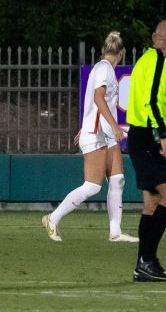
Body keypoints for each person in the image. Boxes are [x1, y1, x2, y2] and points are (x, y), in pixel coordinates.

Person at [42, 31, 138, 244]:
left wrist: (105, 126)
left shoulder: (104, 70)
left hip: (103, 133)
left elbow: (94, 104)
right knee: (93, 186)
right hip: (97, 134)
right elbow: (98, 97)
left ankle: (115, 232)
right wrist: (114, 126)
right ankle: (52, 218)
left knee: (117, 179)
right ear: (120, 53)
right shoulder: (104, 68)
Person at [125, 19, 166, 282]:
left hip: (140, 135)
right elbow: (151, 101)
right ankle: (147, 260)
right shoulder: (159, 61)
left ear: (153, 37)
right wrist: (163, 135)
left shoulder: (145, 60)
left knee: (151, 204)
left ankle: (144, 265)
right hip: (147, 137)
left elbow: (146, 102)